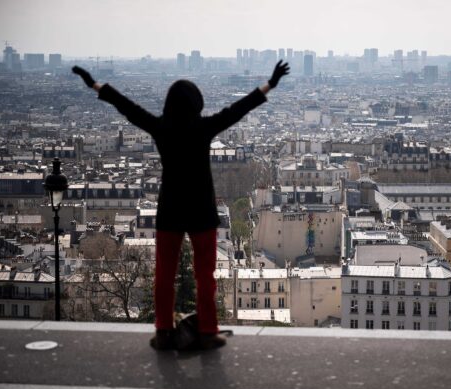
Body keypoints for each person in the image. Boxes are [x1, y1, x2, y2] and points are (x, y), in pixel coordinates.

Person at [72, 61, 289, 350]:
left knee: (163, 276)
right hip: (201, 209)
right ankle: (208, 331)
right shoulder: (203, 127)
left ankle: (163, 331)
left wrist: (95, 84)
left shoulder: (162, 128)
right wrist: (270, 83)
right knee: (205, 277)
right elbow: (239, 109)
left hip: (170, 208)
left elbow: (127, 107)